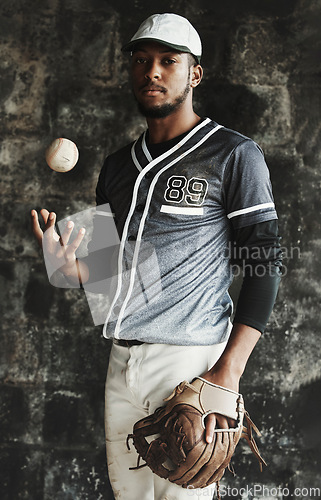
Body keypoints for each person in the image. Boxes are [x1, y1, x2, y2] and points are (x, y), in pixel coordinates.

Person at [31, 13, 282, 500]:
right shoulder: (117, 168)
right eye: (142, 60)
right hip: (121, 360)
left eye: (169, 61)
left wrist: (228, 373)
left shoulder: (232, 153)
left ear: (195, 73)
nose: (153, 71)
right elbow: (111, 276)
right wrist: (68, 269)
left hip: (189, 366)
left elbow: (265, 264)